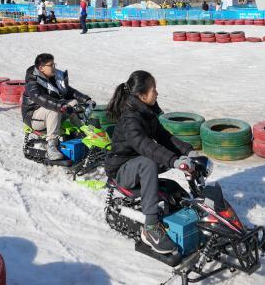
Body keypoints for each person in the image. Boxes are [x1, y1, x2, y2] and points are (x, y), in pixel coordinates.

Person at [104, 70, 199, 255]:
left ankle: (189, 209)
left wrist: (188, 152)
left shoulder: (147, 112)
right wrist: (174, 161)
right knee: (149, 161)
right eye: (154, 90)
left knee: (173, 185)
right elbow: (144, 144)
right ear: (141, 95)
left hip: (139, 164)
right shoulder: (130, 118)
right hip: (122, 170)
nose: (157, 93)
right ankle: (151, 228)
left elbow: (164, 137)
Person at [21, 53, 93, 164]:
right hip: (34, 117)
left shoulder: (53, 78)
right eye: (51, 65)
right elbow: (40, 98)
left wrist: (86, 100)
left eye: (54, 64)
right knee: (53, 109)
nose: (54, 67)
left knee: (73, 103)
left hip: (53, 111)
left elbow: (70, 92)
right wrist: (59, 105)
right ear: (41, 68)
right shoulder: (32, 82)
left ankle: (83, 134)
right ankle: (51, 146)